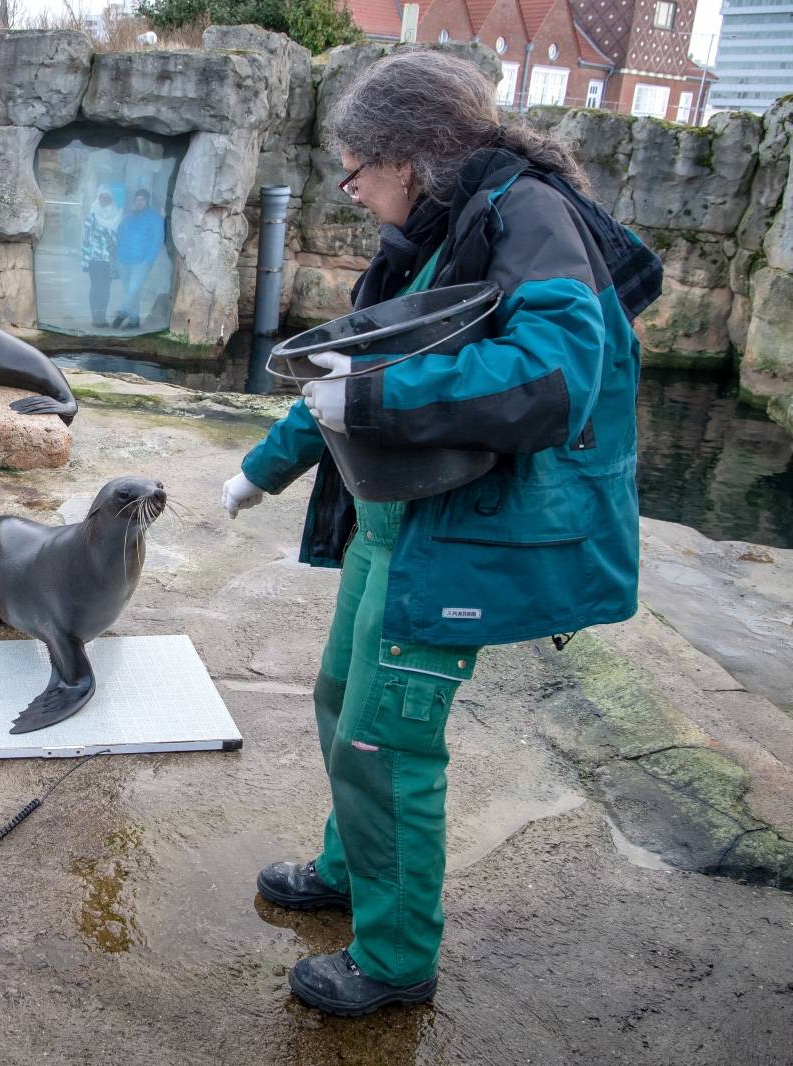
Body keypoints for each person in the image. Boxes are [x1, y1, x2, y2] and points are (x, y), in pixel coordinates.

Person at [221, 51, 657, 1017]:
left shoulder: (529, 217)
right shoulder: (434, 229)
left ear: (410, 159)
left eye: (357, 164)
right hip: (396, 523)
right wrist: (267, 465)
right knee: (343, 699)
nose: (349, 185)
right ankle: (350, 868)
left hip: (465, 534)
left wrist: (371, 396)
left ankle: (395, 959)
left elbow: (552, 377)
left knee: (389, 744)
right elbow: (355, 364)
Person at [112, 188, 166, 329]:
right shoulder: (128, 217)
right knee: (130, 292)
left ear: (147, 201)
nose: (138, 202)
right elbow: (119, 234)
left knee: (133, 290)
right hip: (123, 260)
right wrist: (117, 255)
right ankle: (134, 321)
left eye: (142, 199)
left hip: (141, 262)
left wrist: (148, 260)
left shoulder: (155, 218)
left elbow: (157, 241)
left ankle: (122, 314)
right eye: (136, 200)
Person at [80, 188, 122, 328]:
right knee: (96, 287)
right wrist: (85, 260)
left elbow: (120, 238)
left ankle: (102, 316)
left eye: (107, 197)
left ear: (111, 199)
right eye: (101, 197)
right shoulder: (92, 215)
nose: (104, 200)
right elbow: (85, 239)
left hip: (109, 259)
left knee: (106, 288)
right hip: (95, 259)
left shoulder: (117, 215)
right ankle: (95, 316)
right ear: (98, 198)